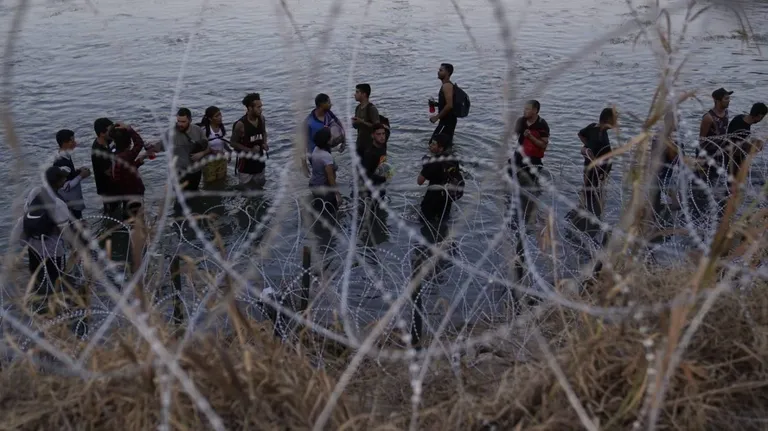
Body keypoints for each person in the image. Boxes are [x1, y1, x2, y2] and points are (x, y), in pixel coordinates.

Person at [11, 166, 75, 315]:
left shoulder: (35, 193)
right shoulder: (59, 204)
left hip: (33, 247)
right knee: (56, 280)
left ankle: (38, 308)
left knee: (36, 277)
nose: (65, 179)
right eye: (63, 178)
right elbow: (65, 232)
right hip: (53, 250)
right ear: (59, 182)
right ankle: (56, 311)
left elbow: (27, 216)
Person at [567, 108, 617, 237]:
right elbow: (593, 155)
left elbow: (580, 134)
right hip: (595, 174)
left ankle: (577, 222)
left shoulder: (594, 127)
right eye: (614, 119)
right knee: (593, 202)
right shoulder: (600, 137)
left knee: (588, 198)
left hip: (592, 172)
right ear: (607, 120)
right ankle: (586, 231)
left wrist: (587, 146)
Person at [510, 100, 550, 224]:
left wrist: (531, 137)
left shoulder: (542, 125)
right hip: (519, 156)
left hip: (533, 160)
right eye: (524, 108)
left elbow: (543, 145)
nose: (524, 111)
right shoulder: (521, 121)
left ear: (535, 111)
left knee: (530, 187)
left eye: (528, 109)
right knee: (513, 181)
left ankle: (529, 209)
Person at [154, 108, 210, 192]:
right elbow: (159, 147)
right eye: (178, 121)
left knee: (194, 194)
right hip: (178, 173)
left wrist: (202, 154)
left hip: (196, 172)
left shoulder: (197, 130)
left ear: (190, 120)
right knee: (180, 199)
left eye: (183, 122)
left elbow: (208, 148)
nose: (180, 124)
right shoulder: (170, 133)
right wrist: (151, 146)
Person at [109, 125, 152, 220]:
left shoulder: (114, 153)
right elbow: (139, 143)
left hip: (124, 192)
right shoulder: (126, 155)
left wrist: (138, 162)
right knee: (137, 219)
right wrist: (129, 129)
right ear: (129, 142)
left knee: (128, 215)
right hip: (134, 192)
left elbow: (123, 171)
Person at [231, 94, 268, 190]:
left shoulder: (262, 119)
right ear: (249, 108)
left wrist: (264, 143)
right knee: (246, 193)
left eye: (261, 106)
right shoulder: (240, 124)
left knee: (260, 188)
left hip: (260, 162)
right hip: (245, 166)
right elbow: (233, 143)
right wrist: (250, 150)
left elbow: (264, 132)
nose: (261, 109)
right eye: (258, 107)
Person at [650, 110, 682, 218]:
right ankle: (662, 227)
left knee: (657, 204)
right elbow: (673, 156)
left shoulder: (662, 132)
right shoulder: (666, 135)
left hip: (660, 173)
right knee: (675, 205)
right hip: (662, 175)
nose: (679, 122)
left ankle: (658, 225)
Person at [303, 93, 345, 175]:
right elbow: (302, 142)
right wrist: (304, 164)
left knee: (333, 172)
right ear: (322, 104)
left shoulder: (328, 114)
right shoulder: (309, 122)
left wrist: (344, 141)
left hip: (327, 152)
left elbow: (340, 124)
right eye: (329, 102)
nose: (331, 104)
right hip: (315, 156)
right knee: (325, 177)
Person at [726, 102, 767, 186]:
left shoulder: (740, 118)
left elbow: (739, 140)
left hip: (734, 157)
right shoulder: (741, 126)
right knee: (733, 186)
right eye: (762, 117)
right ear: (759, 116)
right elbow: (735, 149)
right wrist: (752, 148)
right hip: (733, 160)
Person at [53, 129, 90, 219]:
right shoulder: (61, 161)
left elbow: (68, 175)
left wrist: (78, 171)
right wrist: (81, 176)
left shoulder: (65, 156)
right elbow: (65, 186)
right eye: (71, 141)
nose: (75, 143)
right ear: (64, 143)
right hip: (70, 202)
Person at [309, 128, 341, 215]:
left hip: (314, 184)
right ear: (326, 140)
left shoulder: (316, 149)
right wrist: (337, 194)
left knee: (319, 209)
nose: (332, 138)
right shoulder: (326, 157)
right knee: (331, 212)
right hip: (324, 189)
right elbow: (330, 177)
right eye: (330, 137)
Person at [92, 117, 120, 213]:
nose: (113, 132)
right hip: (107, 188)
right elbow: (108, 172)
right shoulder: (98, 151)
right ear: (102, 133)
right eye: (110, 130)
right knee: (112, 212)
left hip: (112, 186)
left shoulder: (108, 141)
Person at [198, 106, 232, 185]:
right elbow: (201, 147)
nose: (220, 117)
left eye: (220, 115)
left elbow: (223, 142)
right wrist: (214, 151)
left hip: (221, 159)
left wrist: (229, 152)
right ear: (210, 119)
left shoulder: (221, 128)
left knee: (222, 182)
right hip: (208, 162)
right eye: (216, 116)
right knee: (209, 183)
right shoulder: (205, 130)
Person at [428, 63, 458, 147]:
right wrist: (436, 104)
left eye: (441, 70)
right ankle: (450, 158)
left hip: (447, 122)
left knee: (433, 144)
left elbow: (449, 105)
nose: (438, 72)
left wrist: (436, 117)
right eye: (439, 70)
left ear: (447, 73)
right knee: (445, 145)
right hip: (449, 121)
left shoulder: (447, 86)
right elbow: (447, 103)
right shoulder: (447, 85)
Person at [352, 83, 380, 160]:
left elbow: (377, 127)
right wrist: (354, 123)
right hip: (360, 144)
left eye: (357, 92)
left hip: (370, 146)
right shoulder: (358, 108)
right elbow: (356, 127)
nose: (355, 94)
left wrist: (362, 122)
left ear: (364, 94)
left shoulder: (371, 108)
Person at [361, 123, 389, 198]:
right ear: (372, 135)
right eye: (378, 134)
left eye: (383, 133)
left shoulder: (382, 146)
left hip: (380, 185)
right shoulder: (369, 153)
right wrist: (385, 177)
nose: (382, 136)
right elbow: (365, 175)